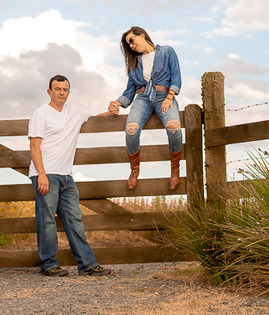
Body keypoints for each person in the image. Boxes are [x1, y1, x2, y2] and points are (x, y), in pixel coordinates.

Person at [28, 74, 117, 277]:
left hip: (66, 177)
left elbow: (94, 119)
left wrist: (111, 112)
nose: (61, 93)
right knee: (47, 220)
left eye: (65, 89)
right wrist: (41, 174)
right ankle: (48, 264)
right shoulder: (41, 113)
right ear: (49, 92)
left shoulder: (74, 111)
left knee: (74, 219)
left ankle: (87, 264)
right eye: (57, 89)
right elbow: (34, 145)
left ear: (68, 92)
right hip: (46, 174)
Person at [108, 26, 184, 190]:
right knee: (131, 129)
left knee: (174, 127)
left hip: (164, 96)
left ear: (142, 35)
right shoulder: (134, 63)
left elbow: (176, 76)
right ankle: (134, 169)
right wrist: (116, 103)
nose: (131, 46)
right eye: (128, 45)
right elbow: (130, 91)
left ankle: (175, 168)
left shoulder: (166, 51)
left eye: (131, 41)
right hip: (142, 98)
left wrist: (170, 96)